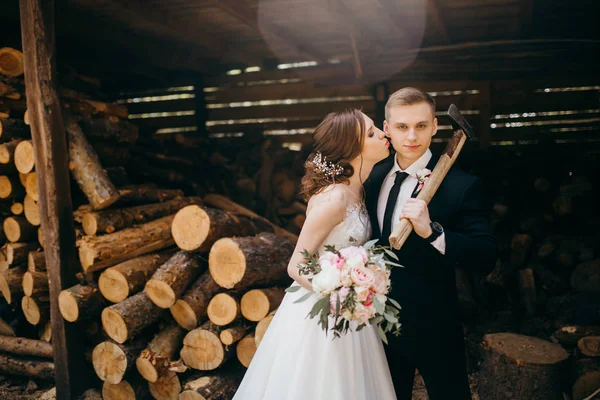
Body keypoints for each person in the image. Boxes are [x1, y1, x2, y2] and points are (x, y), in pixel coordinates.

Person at [233, 109, 396, 400]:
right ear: (351, 149)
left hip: (351, 311)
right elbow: (297, 264)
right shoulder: (334, 198)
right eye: (371, 133)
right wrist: (339, 292)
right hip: (324, 313)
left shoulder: (358, 191)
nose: (383, 134)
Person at [364, 87, 497, 400]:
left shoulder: (460, 185)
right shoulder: (371, 177)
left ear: (435, 126)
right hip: (377, 327)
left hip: (435, 325)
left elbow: (486, 254)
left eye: (421, 126)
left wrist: (433, 232)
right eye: (402, 127)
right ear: (387, 129)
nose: (412, 136)